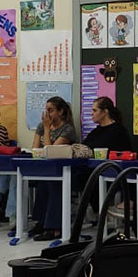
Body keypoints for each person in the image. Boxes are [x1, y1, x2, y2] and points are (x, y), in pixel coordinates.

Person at [29, 96, 79, 241]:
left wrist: (46, 129)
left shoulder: (67, 129)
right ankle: (41, 221)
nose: (47, 114)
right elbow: (35, 148)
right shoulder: (41, 126)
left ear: (60, 112)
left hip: (64, 170)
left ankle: (54, 227)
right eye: (46, 110)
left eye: (50, 110)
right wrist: (44, 128)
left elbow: (50, 151)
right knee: (42, 183)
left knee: (53, 184)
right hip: (45, 169)